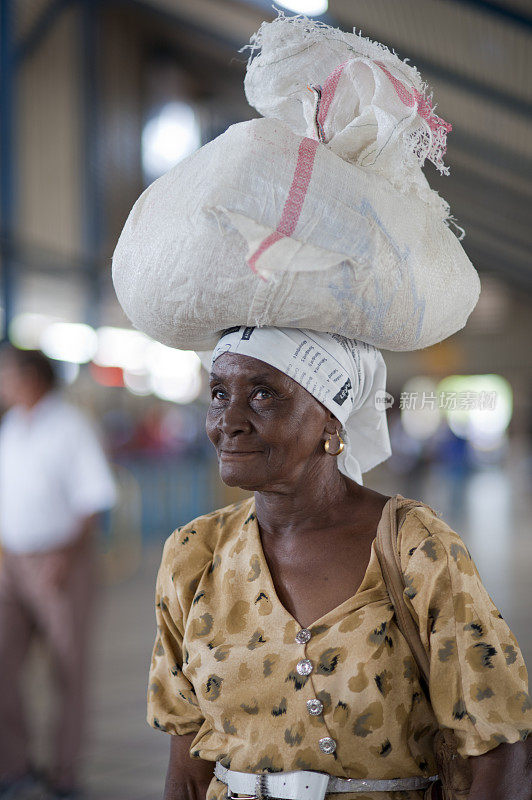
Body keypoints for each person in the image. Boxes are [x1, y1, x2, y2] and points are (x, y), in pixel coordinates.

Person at [147, 326, 532, 800]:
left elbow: (500, 749)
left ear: (331, 419)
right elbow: (186, 771)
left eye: (263, 395)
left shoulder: (412, 545)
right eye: (220, 394)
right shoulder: (194, 554)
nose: (229, 420)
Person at [0, 345, 117, 799]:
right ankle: (14, 765)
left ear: (31, 377)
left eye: (7, 374)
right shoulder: (11, 428)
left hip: (61, 562)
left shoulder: (70, 426)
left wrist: (62, 558)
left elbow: (94, 499)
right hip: (11, 564)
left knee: (67, 670)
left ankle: (65, 771)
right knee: (4, 664)